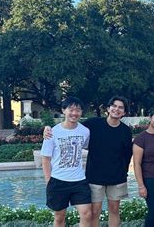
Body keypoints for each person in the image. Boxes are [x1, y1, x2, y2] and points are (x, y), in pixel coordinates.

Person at [45, 96, 133, 227]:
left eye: (121, 107)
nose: (117, 109)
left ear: (124, 112)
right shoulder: (93, 124)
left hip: (117, 176)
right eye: (114, 106)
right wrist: (47, 128)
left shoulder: (125, 131)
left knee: (114, 210)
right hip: (95, 176)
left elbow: (127, 154)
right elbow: (71, 125)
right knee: (93, 212)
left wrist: (124, 172)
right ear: (108, 109)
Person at [41, 97, 92, 226]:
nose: (74, 113)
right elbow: (46, 159)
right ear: (64, 110)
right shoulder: (52, 132)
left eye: (78, 110)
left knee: (87, 213)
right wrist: (49, 182)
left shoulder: (85, 131)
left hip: (79, 180)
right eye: (71, 109)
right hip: (58, 180)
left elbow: (86, 146)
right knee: (59, 217)